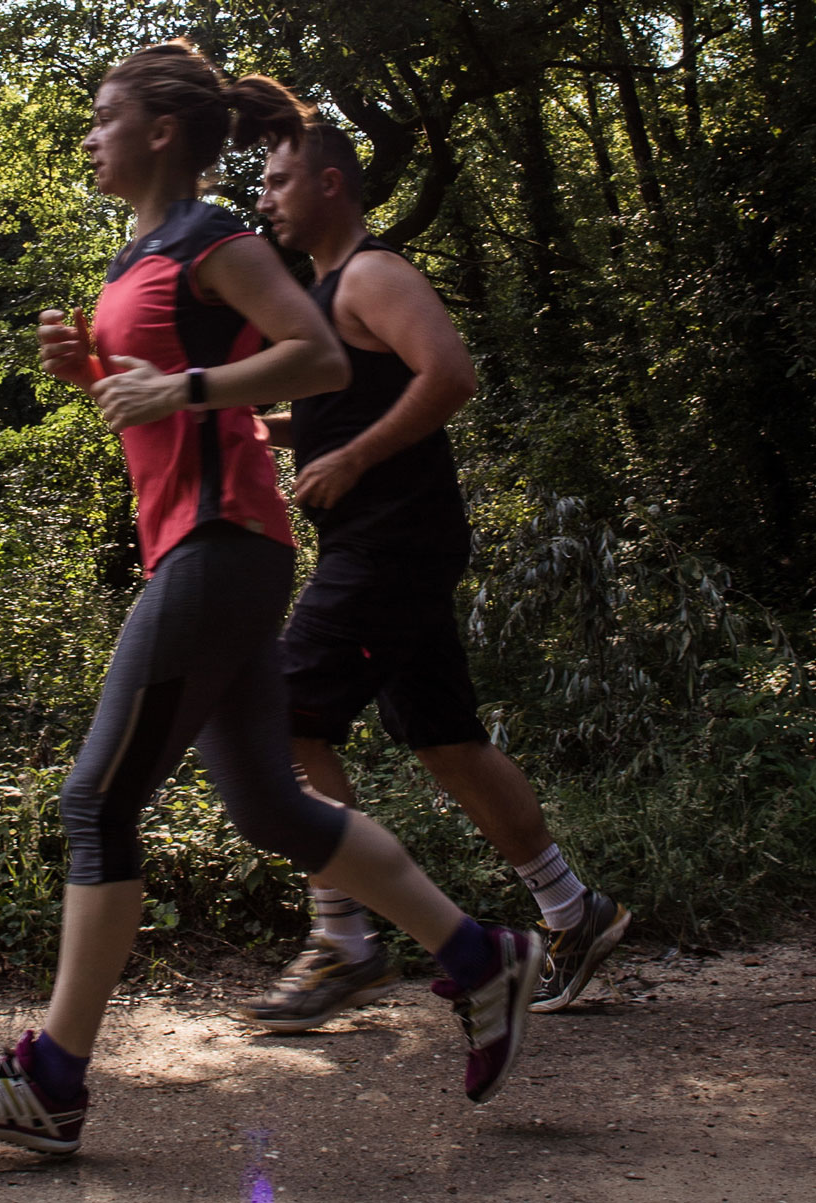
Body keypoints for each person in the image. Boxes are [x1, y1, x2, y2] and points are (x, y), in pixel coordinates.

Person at [0, 42, 542, 1157]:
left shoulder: (219, 240)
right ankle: (477, 955)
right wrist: (90, 375)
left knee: (95, 804)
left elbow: (320, 361)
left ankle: (51, 1076)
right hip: (196, 548)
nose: (90, 134)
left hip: (221, 542)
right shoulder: (137, 256)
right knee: (272, 809)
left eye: (105, 116)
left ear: (161, 131)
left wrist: (185, 384)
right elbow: (157, 397)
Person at [236, 115, 630, 1034]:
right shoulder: (330, 294)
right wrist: (254, 429)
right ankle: (576, 913)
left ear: (331, 184)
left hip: (392, 540)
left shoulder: (373, 274)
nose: (265, 199)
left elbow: (450, 374)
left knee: (287, 711)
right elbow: (342, 415)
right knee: (446, 736)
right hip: (385, 543)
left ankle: (342, 936)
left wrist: (356, 461)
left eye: (280, 181)